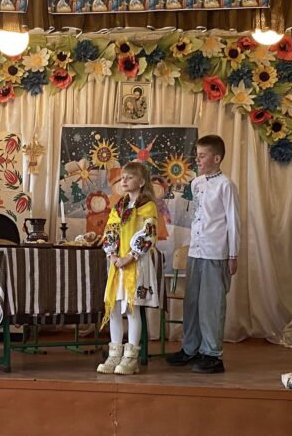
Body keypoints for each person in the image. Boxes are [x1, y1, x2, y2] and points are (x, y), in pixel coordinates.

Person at [166, 135, 239, 373]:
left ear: (216, 158)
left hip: (215, 252)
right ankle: (191, 348)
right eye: (196, 155)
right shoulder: (196, 184)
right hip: (196, 251)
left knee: (211, 304)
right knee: (192, 303)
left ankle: (213, 354)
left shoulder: (226, 185)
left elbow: (233, 221)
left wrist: (233, 254)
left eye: (202, 156)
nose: (197, 160)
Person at [97, 161, 159, 375]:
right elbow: (110, 231)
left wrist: (130, 257)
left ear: (141, 182)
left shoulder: (148, 206)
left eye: (129, 177)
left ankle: (131, 357)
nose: (124, 180)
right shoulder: (119, 207)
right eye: (123, 177)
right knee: (114, 307)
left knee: (132, 308)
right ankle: (114, 354)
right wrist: (113, 254)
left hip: (136, 263)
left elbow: (148, 234)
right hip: (118, 264)